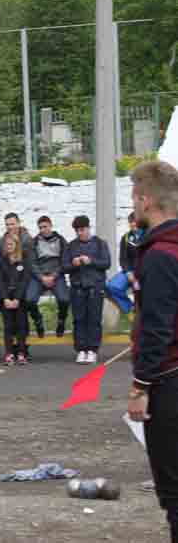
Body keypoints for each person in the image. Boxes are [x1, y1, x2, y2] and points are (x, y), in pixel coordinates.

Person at [126, 160, 178, 543]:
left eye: (133, 196)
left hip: (169, 381)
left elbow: (156, 328)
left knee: (174, 490)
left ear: (146, 200)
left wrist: (140, 386)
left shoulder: (160, 254)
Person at [62, 215, 111, 365]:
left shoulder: (100, 244)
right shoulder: (71, 246)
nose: (80, 233)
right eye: (77, 230)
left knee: (94, 319)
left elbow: (106, 263)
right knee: (79, 319)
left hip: (95, 287)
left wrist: (91, 261)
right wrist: (73, 263)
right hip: (77, 287)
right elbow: (64, 267)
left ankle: (92, 350)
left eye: (82, 229)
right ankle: (81, 350)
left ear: (88, 228)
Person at [0, 212, 44, 338]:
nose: (10, 227)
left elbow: (30, 264)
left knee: (25, 300)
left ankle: (26, 340)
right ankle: (12, 341)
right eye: (7, 225)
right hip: (10, 280)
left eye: (12, 224)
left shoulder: (27, 240)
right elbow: (0, 261)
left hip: (26, 277)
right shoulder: (3, 240)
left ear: (18, 223)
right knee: (4, 300)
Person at [28, 215, 71, 338]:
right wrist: (41, 277)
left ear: (51, 225)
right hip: (39, 276)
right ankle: (38, 321)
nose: (43, 229)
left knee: (64, 299)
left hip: (56, 276)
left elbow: (65, 261)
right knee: (29, 300)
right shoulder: (35, 241)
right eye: (40, 227)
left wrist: (54, 276)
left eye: (45, 226)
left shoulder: (61, 240)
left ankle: (61, 321)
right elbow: (32, 263)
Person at [0, 233, 32, 365]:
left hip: (19, 298)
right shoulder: (1, 261)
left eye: (12, 244)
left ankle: (22, 353)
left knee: (21, 325)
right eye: (7, 244)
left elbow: (24, 280)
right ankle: (9, 353)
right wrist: (5, 298)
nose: (9, 246)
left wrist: (17, 298)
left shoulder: (23, 261)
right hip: (6, 298)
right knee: (8, 326)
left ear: (17, 246)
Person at [106, 212, 145, 315]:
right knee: (112, 286)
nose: (132, 224)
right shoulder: (126, 238)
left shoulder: (149, 235)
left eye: (135, 221)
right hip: (129, 271)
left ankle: (143, 313)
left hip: (145, 271)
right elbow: (123, 259)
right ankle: (130, 308)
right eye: (130, 222)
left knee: (143, 292)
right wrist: (128, 273)